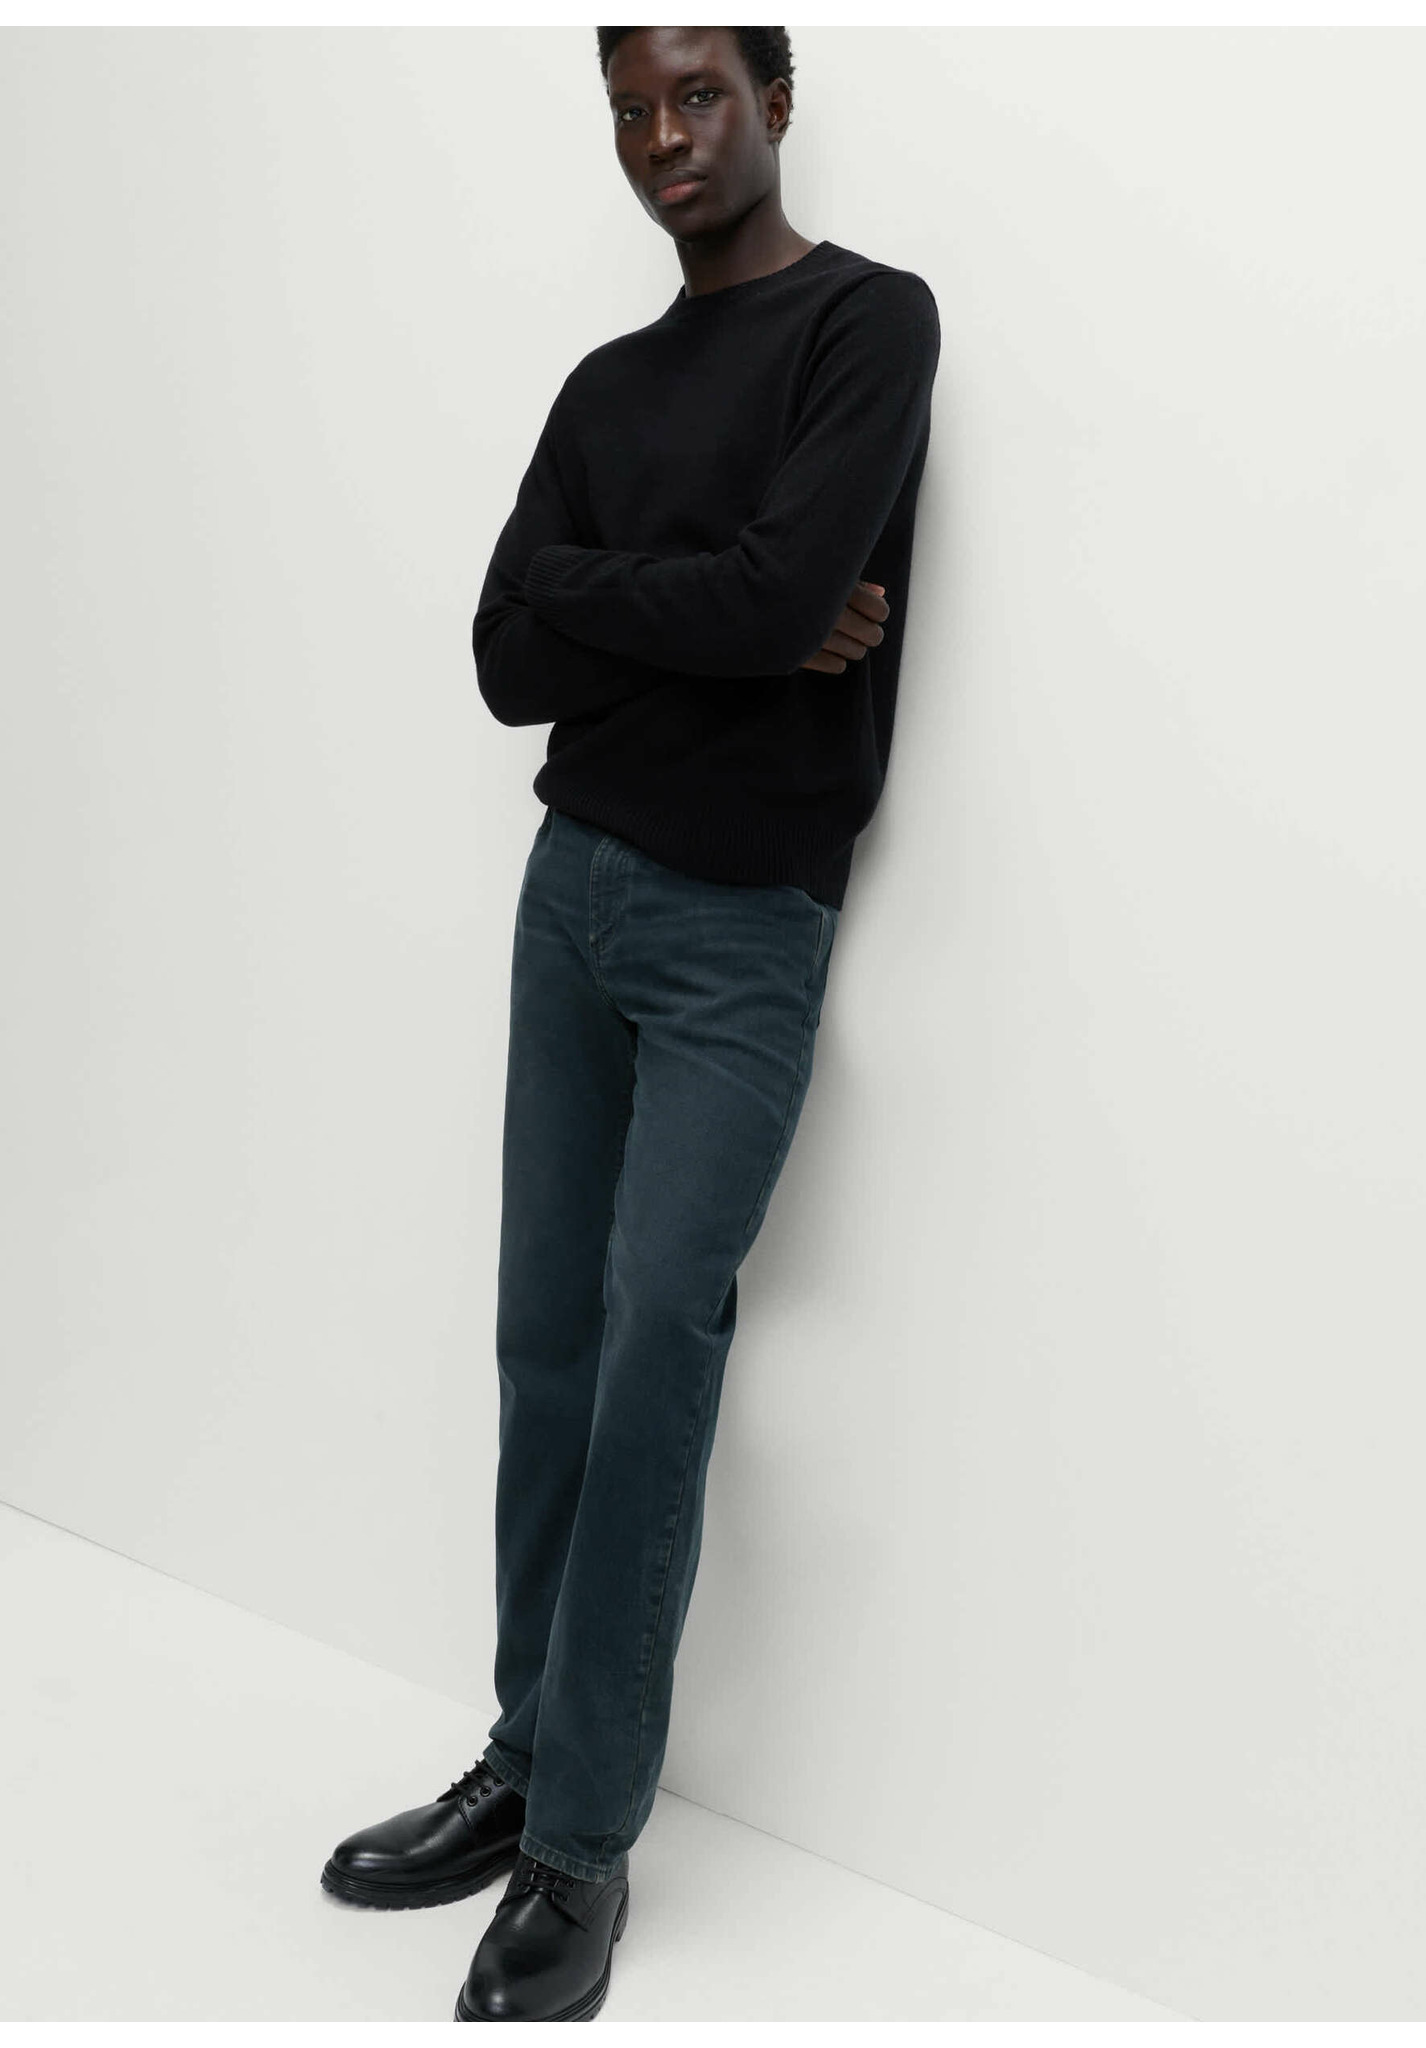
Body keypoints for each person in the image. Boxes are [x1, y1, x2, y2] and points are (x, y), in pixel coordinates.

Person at [320, 24, 940, 2021]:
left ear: (776, 100)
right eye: (629, 110)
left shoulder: (867, 327)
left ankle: (582, 1846)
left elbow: (715, 609)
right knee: (545, 1343)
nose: (664, 137)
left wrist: (653, 600)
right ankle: (524, 1755)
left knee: (659, 1332)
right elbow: (508, 656)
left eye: (699, 97)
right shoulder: (606, 385)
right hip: (570, 893)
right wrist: (736, 605)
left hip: (744, 921)